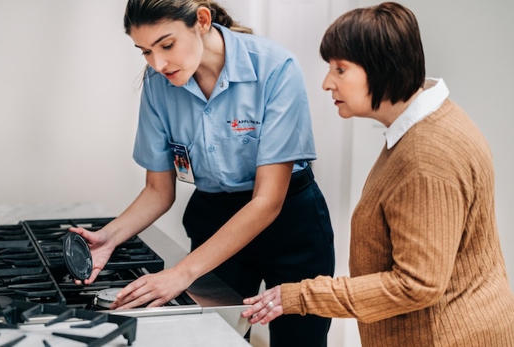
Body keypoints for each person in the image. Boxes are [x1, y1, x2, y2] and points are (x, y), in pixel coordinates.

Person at [242, 2, 514, 346]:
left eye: (340, 69)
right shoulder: (428, 125)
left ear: (382, 68)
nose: (327, 83)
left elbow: (417, 284)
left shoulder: (425, 154)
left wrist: (301, 296)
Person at [69, 1, 335, 346]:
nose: (157, 63)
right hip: (215, 219)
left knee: (300, 341)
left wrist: (180, 274)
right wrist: (110, 236)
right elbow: (158, 190)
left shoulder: (274, 67)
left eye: (166, 45)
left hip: (290, 223)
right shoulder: (158, 82)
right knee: (214, 339)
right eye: (145, 51)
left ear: (203, 21)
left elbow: (268, 201)